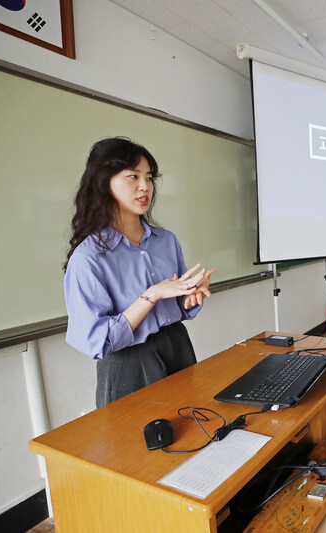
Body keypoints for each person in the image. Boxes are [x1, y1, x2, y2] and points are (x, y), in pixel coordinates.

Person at [63, 137, 214, 408]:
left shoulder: (166, 240)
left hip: (177, 345)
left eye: (150, 177)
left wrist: (188, 300)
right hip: (129, 363)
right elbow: (97, 341)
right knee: (136, 446)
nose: (145, 186)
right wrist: (152, 295)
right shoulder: (89, 257)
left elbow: (176, 305)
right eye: (133, 176)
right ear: (104, 182)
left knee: (194, 429)